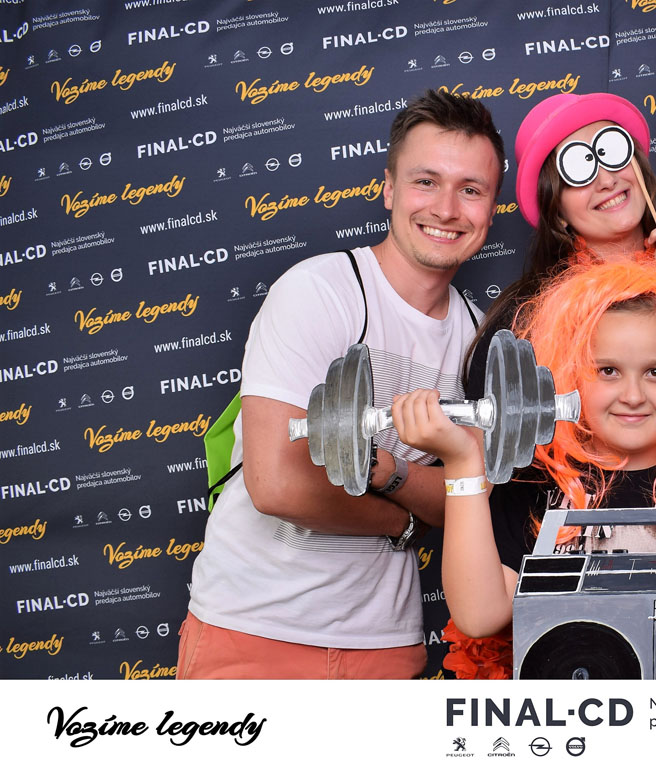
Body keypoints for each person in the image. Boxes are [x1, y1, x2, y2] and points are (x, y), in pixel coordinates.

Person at [178, 91, 505, 679]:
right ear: (389, 189)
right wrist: (401, 520)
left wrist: (386, 471)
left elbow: (463, 498)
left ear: (492, 208)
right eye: (426, 181)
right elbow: (277, 484)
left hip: (386, 644)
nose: (447, 208)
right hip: (255, 628)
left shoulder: (476, 339)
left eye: (471, 190)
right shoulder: (320, 291)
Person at [392, 260, 656, 677]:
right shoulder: (534, 484)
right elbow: (479, 617)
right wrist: (463, 464)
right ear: (572, 372)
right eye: (608, 371)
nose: (632, 395)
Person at [463, 91, 656, 401]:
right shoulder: (525, 320)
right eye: (578, 169)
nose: (606, 180)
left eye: (611, 151)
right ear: (558, 212)